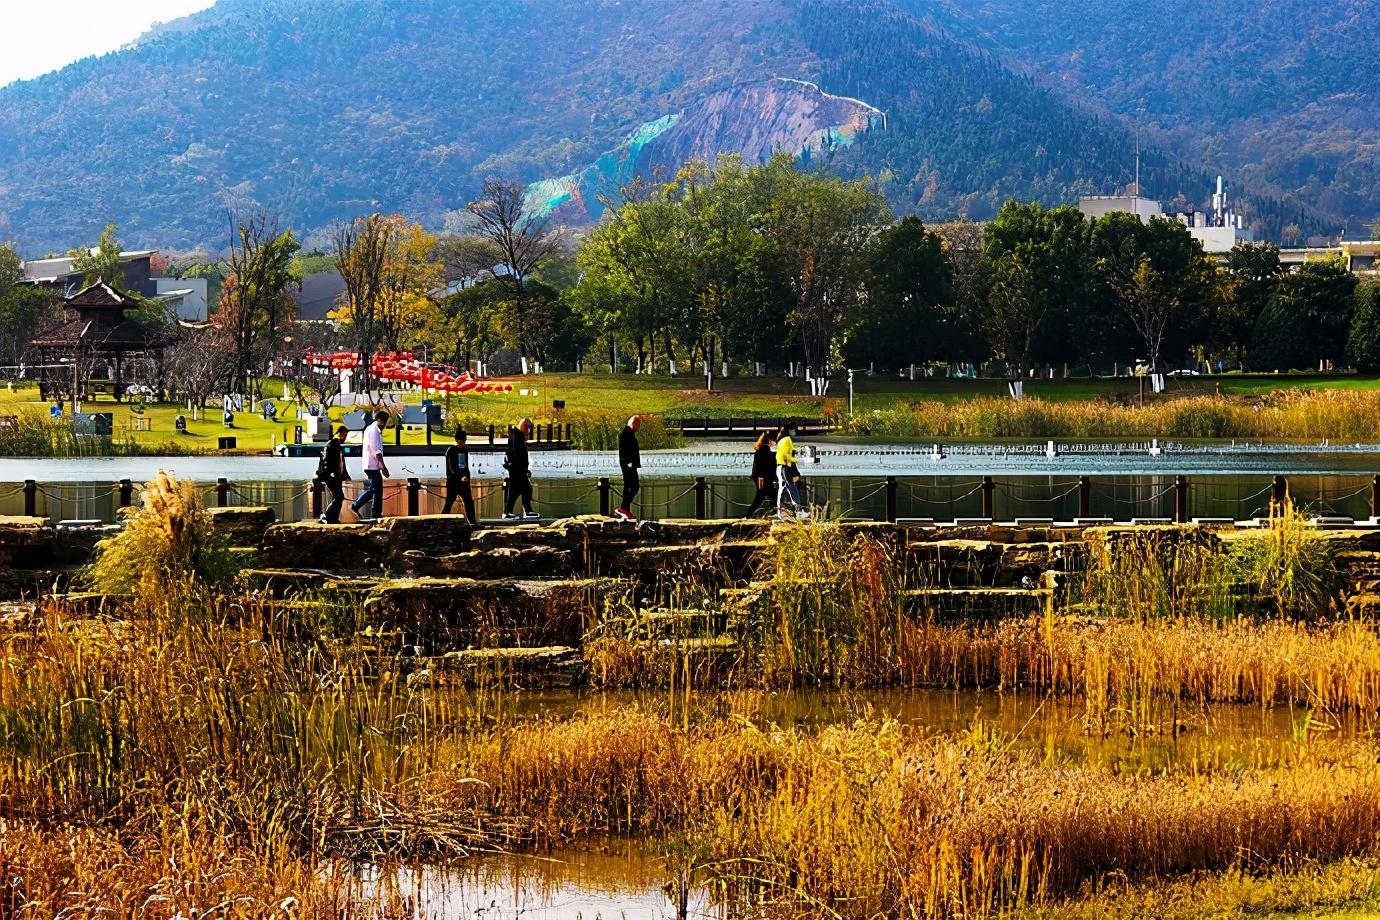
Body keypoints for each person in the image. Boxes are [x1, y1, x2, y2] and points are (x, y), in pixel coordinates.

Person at [351, 409, 390, 520]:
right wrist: (383, 466)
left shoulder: (370, 429)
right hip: (372, 465)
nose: (384, 425)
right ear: (379, 420)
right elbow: (376, 450)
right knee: (377, 489)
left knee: (374, 488)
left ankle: (360, 505)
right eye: (384, 422)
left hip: (370, 464)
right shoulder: (374, 431)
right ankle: (375, 512)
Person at [502, 417, 538, 521]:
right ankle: (511, 512)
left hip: (518, 469)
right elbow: (516, 454)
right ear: (524, 427)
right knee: (520, 490)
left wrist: (525, 469)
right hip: (517, 470)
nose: (528, 431)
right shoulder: (517, 436)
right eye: (528, 428)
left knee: (524, 490)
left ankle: (524, 510)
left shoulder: (518, 435)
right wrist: (520, 468)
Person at [441, 427, 477, 525]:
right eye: (460, 441)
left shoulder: (464, 450)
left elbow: (465, 465)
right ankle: (442, 521)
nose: (462, 444)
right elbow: (452, 467)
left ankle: (473, 522)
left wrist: (467, 477)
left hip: (464, 481)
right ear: (457, 441)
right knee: (449, 502)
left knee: (469, 502)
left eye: (463, 441)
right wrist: (459, 477)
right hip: (454, 481)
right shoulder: (451, 450)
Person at [317, 424, 350, 524]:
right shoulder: (332, 444)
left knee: (339, 496)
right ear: (341, 434)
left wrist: (344, 475)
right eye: (345, 435)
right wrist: (330, 473)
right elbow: (327, 461)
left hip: (336, 476)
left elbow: (341, 463)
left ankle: (333, 518)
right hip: (331, 475)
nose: (345, 437)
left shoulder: (337, 445)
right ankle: (326, 515)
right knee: (338, 496)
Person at [775, 425, 808, 520]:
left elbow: (789, 451)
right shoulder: (786, 439)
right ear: (789, 431)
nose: (795, 433)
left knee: (783, 488)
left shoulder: (782, 440)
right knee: (792, 488)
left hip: (781, 467)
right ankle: (799, 511)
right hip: (785, 467)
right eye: (793, 431)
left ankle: (780, 511)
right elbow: (785, 454)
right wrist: (795, 459)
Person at [743, 430, 776, 518]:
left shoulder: (762, 449)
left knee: (772, 496)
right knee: (760, 498)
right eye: (772, 441)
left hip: (764, 478)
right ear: (769, 441)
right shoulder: (764, 451)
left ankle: (773, 512)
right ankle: (748, 515)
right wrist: (761, 478)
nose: (773, 443)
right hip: (763, 478)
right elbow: (761, 465)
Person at [616, 414, 641, 522]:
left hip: (629, 464)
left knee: (628, 486)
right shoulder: (626, 433)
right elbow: (625, 449)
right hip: (629, 464)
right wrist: (629, 462)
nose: (639, 427)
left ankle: (625, 510)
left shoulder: (628, 433)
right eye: (638, 424)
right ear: (634, 423)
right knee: (634, 486)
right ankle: (624, 508)